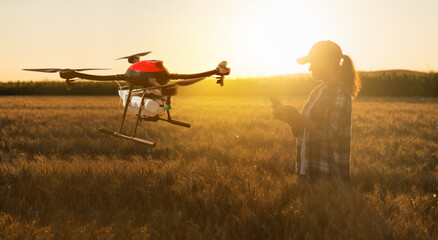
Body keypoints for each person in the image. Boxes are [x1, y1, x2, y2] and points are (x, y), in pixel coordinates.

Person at [273, 40, 360, 184]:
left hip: (330, 178)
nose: (309, 68)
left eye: (313, 62)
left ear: (330, 62)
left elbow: (330, 133)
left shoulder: (340, 93)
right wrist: (291, 119)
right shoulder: (316, 92)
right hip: (307, 172)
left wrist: (299, 118)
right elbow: (303, 131)